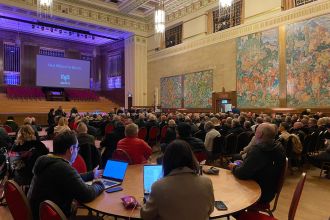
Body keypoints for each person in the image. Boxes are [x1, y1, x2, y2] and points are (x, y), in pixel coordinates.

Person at [27, 131, 104, 219]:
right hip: (56, 217)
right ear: (71, 149)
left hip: (39, 215)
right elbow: (87, 195)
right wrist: (99, 184)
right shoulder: (63, 168)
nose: (77, 151)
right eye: (77, 148)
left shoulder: (46, 160)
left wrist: (92, 174)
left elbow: (71, 179)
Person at [141, 140, 214, 220]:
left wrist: (144, 205)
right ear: (191, 158)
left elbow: (146, 216)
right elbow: (210, 210)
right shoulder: (207, 182)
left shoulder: (158, 186)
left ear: (166, 160)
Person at [228, 123, 286, 204]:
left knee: (229, 188)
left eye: (256, 131)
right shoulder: (279, 146)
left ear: (260, 134)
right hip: (270, 190)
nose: (255, 133)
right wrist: (245, 163)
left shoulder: (258, 150)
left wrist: (233, 167)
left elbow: (242, 174)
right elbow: (261, 165)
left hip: (258, 193)